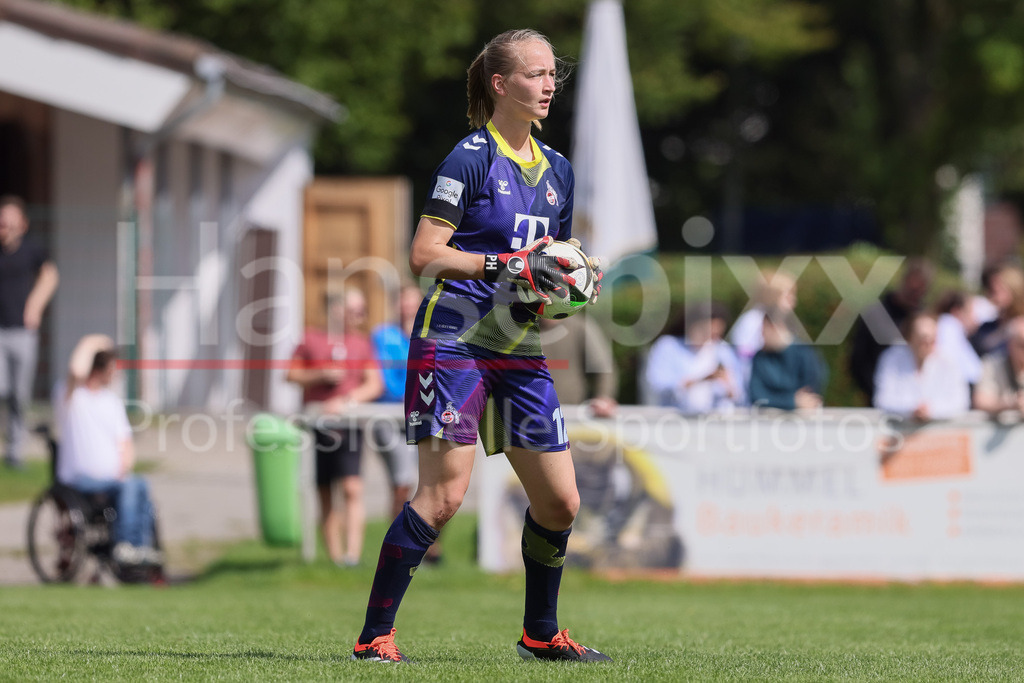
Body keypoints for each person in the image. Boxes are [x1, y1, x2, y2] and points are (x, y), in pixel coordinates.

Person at [352, 29, 610, 664]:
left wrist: (573, 282)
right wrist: (505, 265)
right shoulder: (469, 158)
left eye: (554, 74)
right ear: (501, 85)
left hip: (518, 345)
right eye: (536, 74)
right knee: (441, 499)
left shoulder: (560, 173)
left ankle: (540, 635)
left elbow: (550, 267)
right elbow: (424, 256)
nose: (550, 85)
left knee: (560, 500)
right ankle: (373, 637)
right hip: (454, 342)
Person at [286, 289, 383, 568]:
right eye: (355, 310)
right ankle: (335, 558)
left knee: (352, 488)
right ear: (337, 309)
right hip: (318, 424)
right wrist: (321, 374)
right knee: (325, 491)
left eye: (362, 311)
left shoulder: (361, 343)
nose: (359, 316)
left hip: (350, 424)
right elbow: (290, 374)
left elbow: (374, 384)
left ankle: (352, 556)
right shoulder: (310, 339)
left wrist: (347, 400)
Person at [56, 338, 158, 566]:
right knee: (131, 486)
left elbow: (125, 442)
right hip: (79, 481)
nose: (116, 373)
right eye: (113, 367)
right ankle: (125, 545)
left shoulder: (112, 402)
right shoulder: (71, 397)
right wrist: (94, 341)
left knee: (140, 485)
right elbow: (75, 369)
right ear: (99, 368)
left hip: (112, 480)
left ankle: (139, 548)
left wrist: (123, 470)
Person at [0, 195, 59, 469]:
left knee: (18, 396)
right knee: (3, 388)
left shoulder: (32, 252)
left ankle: (15, 452)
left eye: (10, 220)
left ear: (21, 224)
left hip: (22, 333)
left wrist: (34, 306)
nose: (5, 225)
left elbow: (50, 277)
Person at [848, 257, 933, 404]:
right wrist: (879, 393)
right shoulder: (875, 315)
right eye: (912, 290)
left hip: (918, 404)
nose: (915, 296)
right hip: (880, 402)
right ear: (904, 282)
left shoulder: (924, 318)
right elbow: (858, 360)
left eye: (920, 291)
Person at [369, 283, 422, 517]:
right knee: (403, 482)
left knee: (432, 485)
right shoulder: (383, 336)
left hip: (422, 414)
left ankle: (430, 546)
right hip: (391, 414)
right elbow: (385, 379)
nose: (407, 305)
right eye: (403, 300)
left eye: (412, 300)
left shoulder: (431, 336)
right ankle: (398, 540)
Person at [643, 301, 744, 414]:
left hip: (713, 422)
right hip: (675, 419)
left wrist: (728, 385)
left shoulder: (722, 351)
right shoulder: (668, 347)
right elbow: (657, 384)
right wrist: (698, 380)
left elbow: (739, 394)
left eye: (716, 335)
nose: (711, 339)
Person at [872, 312, 970, 420]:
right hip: (899, 430)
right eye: (922, 339)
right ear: (909, 337)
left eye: (932, 339)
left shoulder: (949, 362)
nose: (928, 344)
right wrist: (911, 410)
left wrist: (932, 411)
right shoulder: (891, 358)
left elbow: (960, 402)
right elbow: (882, 400)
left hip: (940, 433)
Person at [539, 313, 618, 418]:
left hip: (570, 413)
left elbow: (602, 367)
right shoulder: (520, 326)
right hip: (525, 411)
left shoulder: (579, 326)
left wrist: (604, 397)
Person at [748, 307, 826, 411]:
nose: (761, 335)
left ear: (776, 327)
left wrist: (774, 399)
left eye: (764, 329)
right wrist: (791, 401)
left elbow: (809, 398)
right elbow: (757, 397)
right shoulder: (760, 357)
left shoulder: (806, 354)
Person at [729, 269, 798, 371]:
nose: (793, 300)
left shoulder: (780, 320)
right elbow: (743, 356)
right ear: (772, 296)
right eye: (788, 295)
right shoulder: (751, 321)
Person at [972, 316, 1024, 417]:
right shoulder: (992, 364)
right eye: (1022, 345)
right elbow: (981, 401)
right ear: (1010, 344)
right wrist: (1011, 404)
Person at [970, 263, 1024, 357]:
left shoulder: (1020, 327)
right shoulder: (986, 328)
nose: (992, 294)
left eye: (998, 289)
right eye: (991, 289)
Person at [934, 290, 982, 386]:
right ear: (957, 311)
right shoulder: (949, 325)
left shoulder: (953, 329)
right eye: (971, 312)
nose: (976, 319)